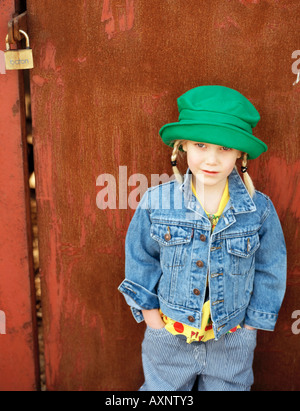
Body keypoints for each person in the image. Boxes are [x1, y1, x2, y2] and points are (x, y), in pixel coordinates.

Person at [118, 85, 287, 391]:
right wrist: (154, 324)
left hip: (231, 338)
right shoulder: (157, 203)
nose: (211, 159)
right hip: (170, 335)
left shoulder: (258, 210)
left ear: (240, 153)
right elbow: (140, 259)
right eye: (200, 145)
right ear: (181, 147)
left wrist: (249, 328)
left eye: (224, 148)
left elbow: (270, 267)